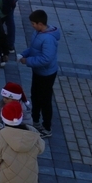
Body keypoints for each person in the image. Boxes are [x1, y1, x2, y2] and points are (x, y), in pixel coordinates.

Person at [18, 10, 59, 138]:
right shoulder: (38, 33)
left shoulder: (48, 39)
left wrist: (27, 61)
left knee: (45, 100)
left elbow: (46, 58)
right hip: (38, 71)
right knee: (35, 95)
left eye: (33, 24)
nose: (32, 26)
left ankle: (47, 128)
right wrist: (24, 54)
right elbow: (34, 48)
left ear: (40, 24)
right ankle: (35, 121)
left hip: (46, 74)